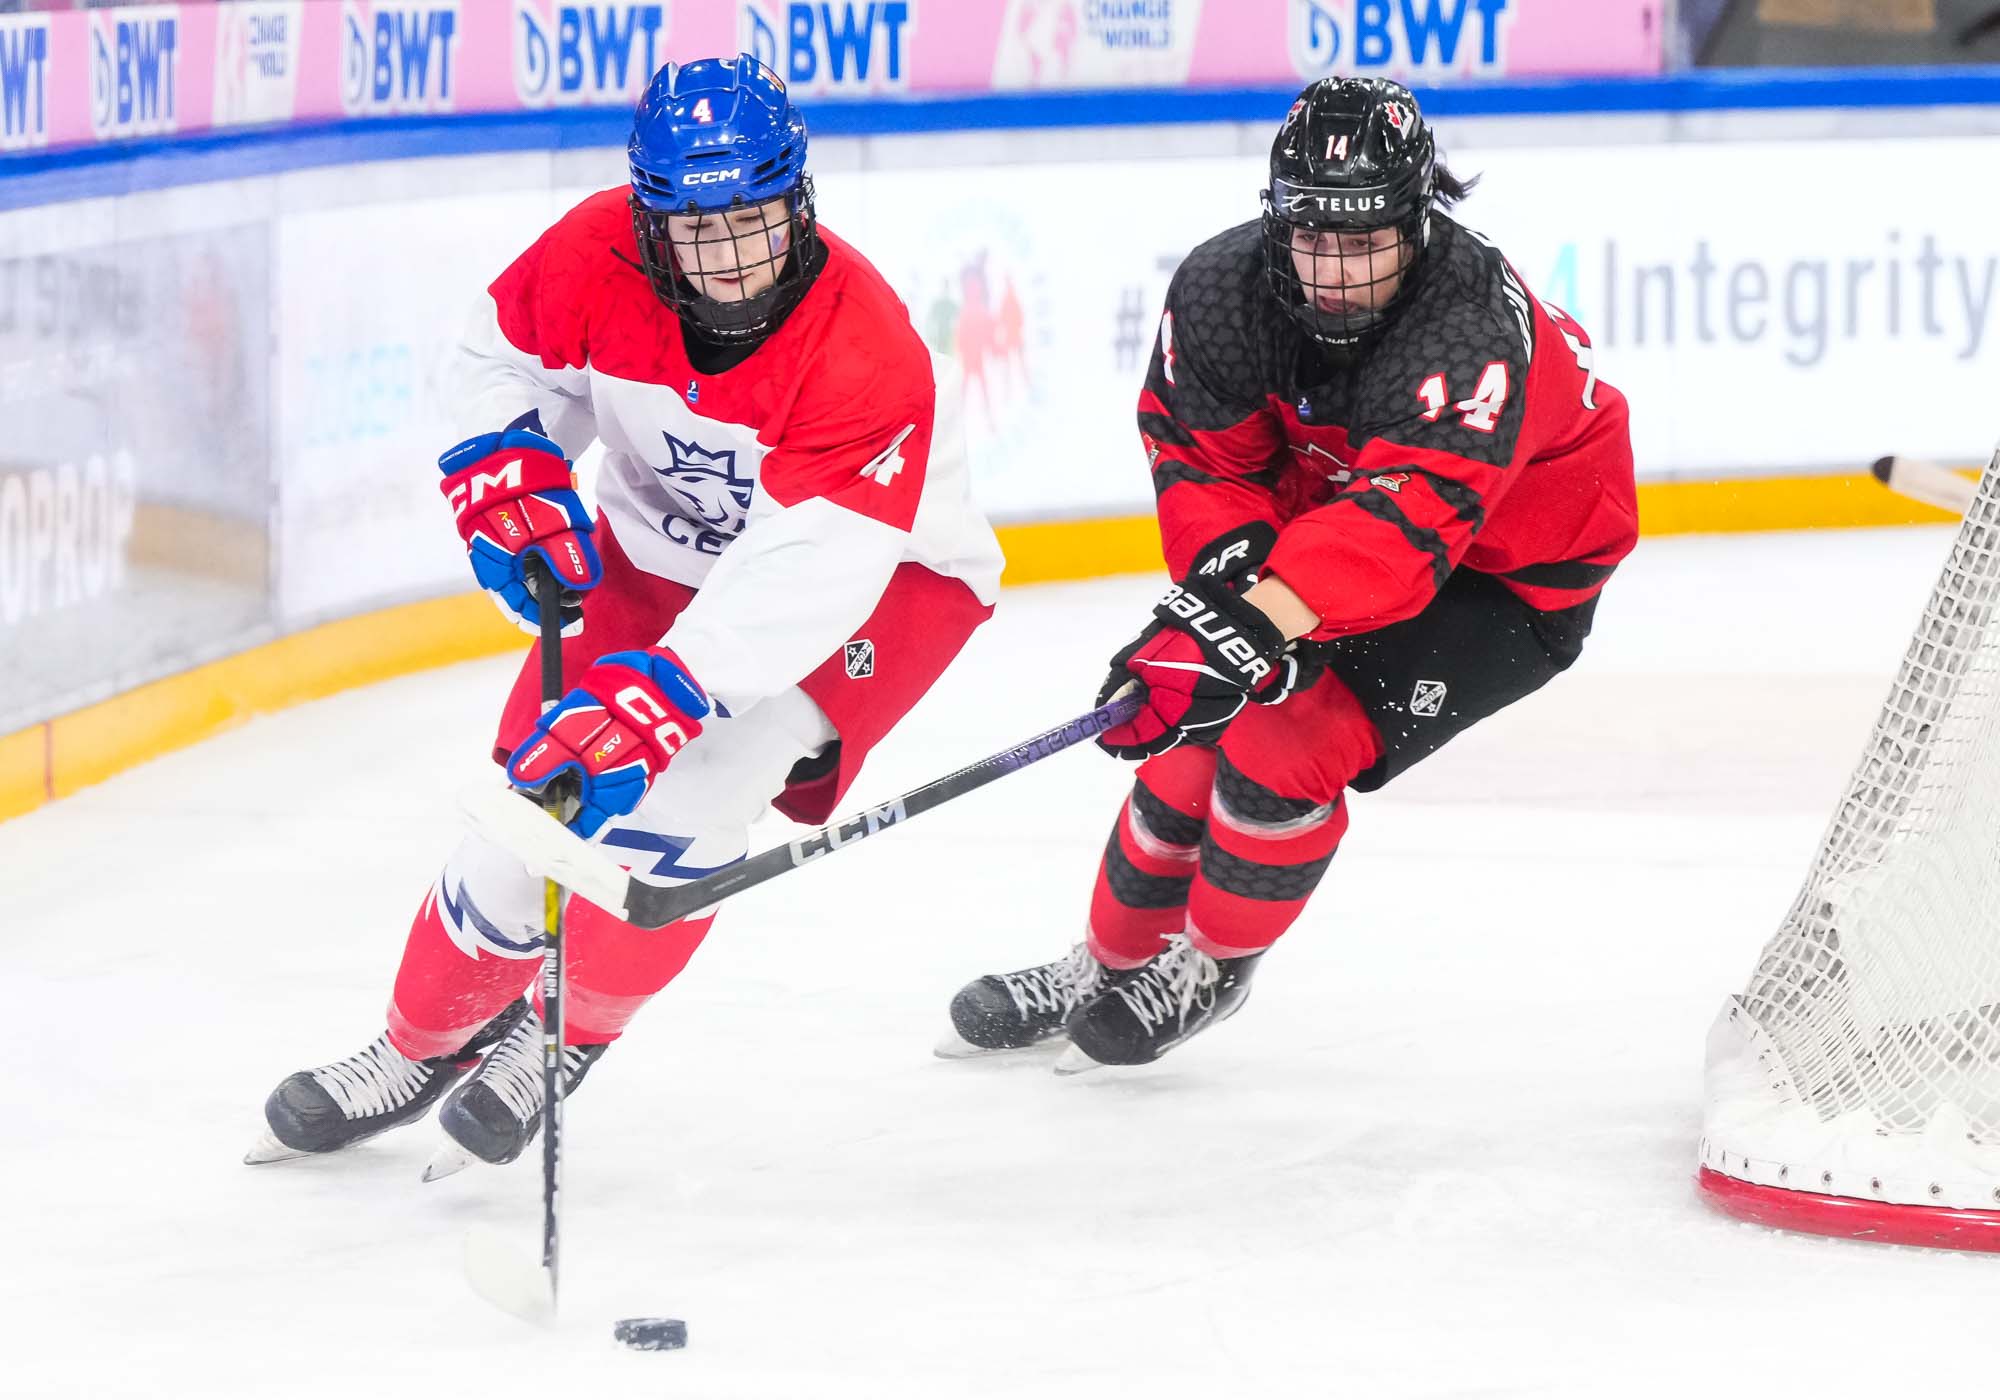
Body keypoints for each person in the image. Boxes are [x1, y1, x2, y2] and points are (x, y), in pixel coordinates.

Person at [248, 55, 1002, 1167]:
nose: (731, 257)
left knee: (688, 801)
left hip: (878, 587)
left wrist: (671, 695)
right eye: (697, 228)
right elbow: (504, 362)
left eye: (753, 218)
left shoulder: (865, 349)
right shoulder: (594, 249)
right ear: (651, 220)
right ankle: (417, 1047)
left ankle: (563, 1035)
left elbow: (809, 570)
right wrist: (508, 463)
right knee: (530, 810)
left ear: (798, 202)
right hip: (657, 555)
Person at [941, 76, 1637, 1073]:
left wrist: (1249, 623)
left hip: (1508, 571)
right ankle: (1104, 963)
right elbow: (1202, 460)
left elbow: (1406, 525)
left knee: (1282, 741)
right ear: (1277, 222)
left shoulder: (1469, 328)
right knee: (1192, 731)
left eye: (1366, 241)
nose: (1336, 272)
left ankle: (1213, 962)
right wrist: (1225, 595)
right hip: (1340, 526)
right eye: (1314, 237)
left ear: (1418, 222)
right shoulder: (1223, 292)